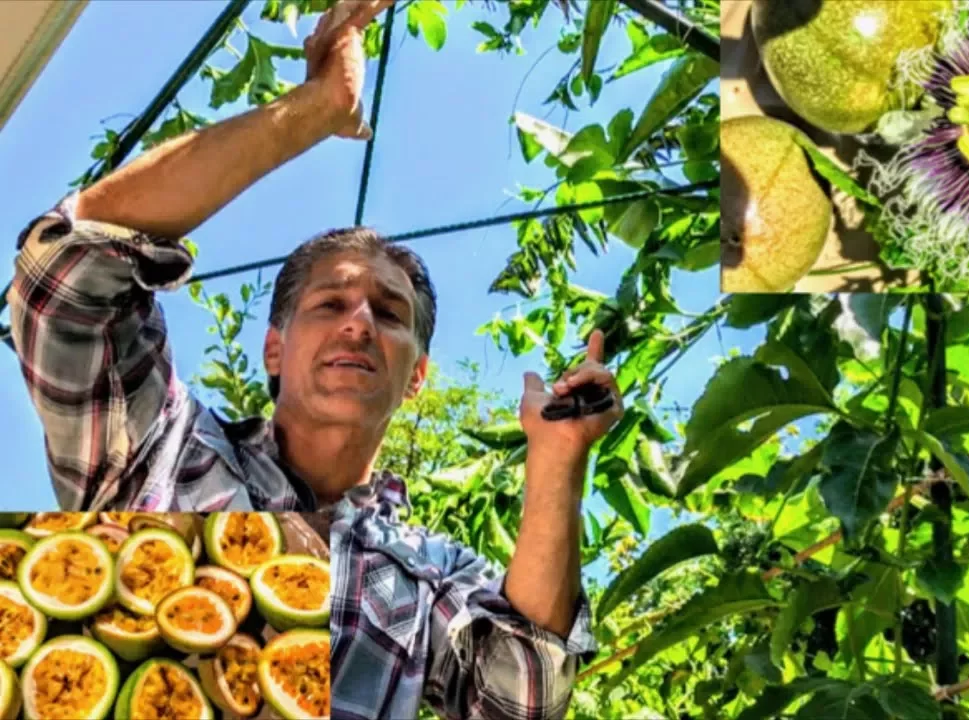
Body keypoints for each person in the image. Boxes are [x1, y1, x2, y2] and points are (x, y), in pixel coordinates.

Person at [6, 1, 620, 716]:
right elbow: (62, 282)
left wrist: (559, 456)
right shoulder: (160, 444)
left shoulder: (429, 574)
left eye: (388, 314)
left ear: (416, 376)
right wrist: (313, 110)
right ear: (274, 348)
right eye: (330, 304)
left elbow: (522, 696)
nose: (358, 324)